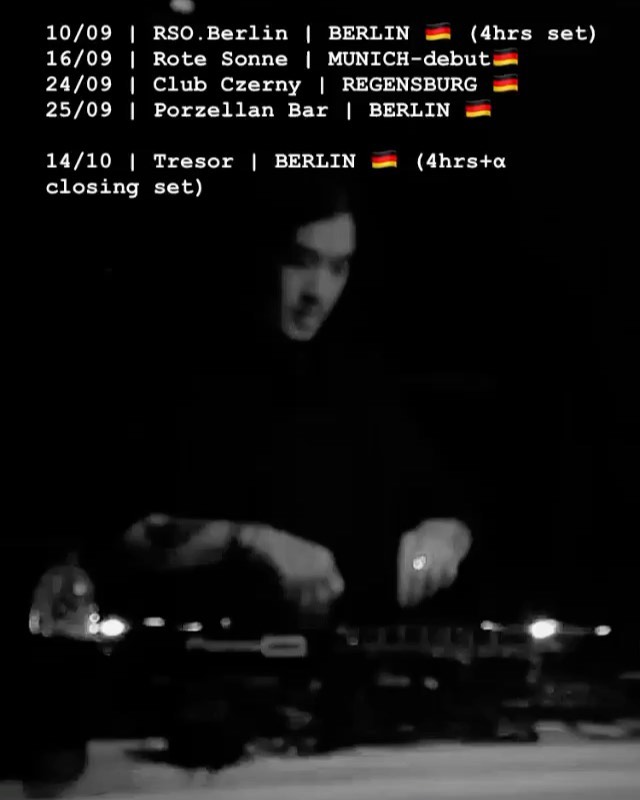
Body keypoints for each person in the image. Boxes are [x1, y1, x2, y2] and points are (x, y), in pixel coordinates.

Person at [36, 178, 473, 628]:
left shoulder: (356, 376)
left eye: (338, 268)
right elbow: (115, 532)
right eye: (300, 262)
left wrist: (447, 534)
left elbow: (443, 502)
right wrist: (252, 542)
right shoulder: (167, 369)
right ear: (260, 252)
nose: (317, 292)